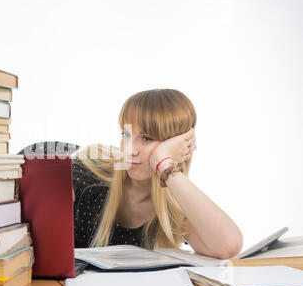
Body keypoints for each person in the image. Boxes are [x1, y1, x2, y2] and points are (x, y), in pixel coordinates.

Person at [71, 88, 243, 260]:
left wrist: (164, 163)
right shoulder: (89, 173)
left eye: (146, 138)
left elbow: (228, 246)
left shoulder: (174, 210)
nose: (130, 150)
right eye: (126, 134)